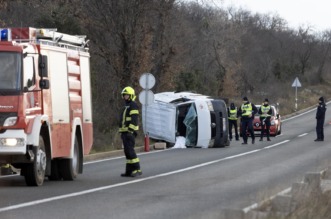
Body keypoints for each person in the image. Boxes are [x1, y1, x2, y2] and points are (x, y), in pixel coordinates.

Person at [119, 86, 142, 177]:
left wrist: (130, 131)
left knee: (130, 151)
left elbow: (134, 119)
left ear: (131, 95)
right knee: (127, 152)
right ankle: (128, 171)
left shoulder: (133, 105)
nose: (125, 97)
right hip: (125, 132)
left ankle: (137, 169)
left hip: (130, 132)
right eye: (124, 95)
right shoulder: (126, 105)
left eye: (127, 95)